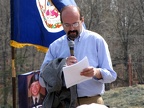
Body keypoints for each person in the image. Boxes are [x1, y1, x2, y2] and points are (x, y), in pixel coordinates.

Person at [39, 5, 117, 106]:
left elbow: (111, 75)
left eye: (75, 24)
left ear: (82, 20)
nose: (72, 29)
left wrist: (96, 72)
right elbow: (42, 80)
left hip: (91, 102)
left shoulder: (96, 41)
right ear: (61, 24)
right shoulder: (55, 47)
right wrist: (60, 66)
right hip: (63, 103)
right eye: (67, 25)